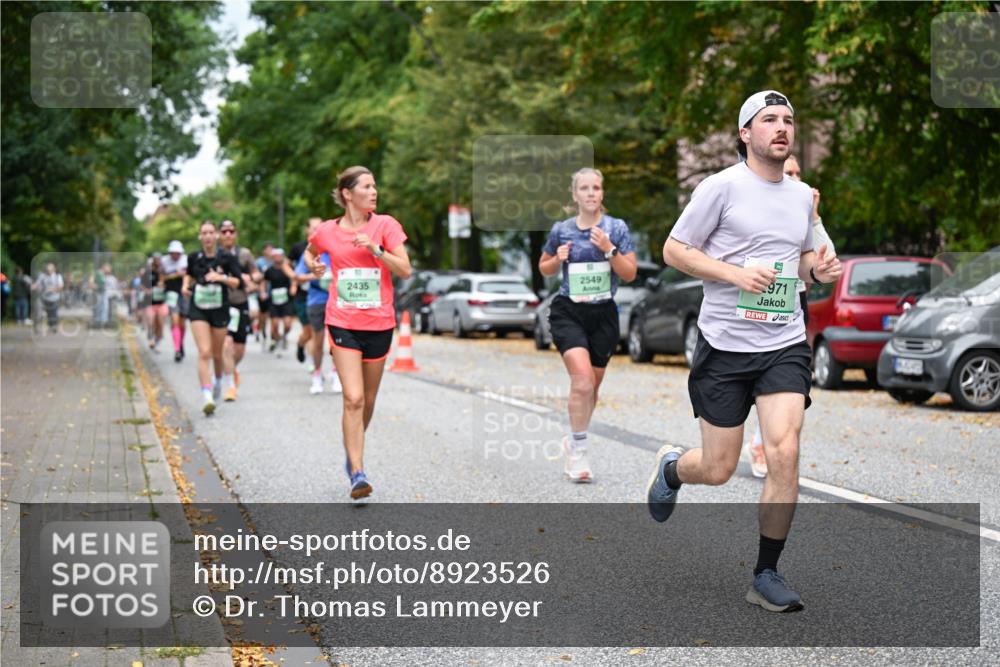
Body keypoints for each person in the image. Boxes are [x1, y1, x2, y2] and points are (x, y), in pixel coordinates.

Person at [646, 90, 842, 613]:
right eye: (769, 120)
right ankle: (671, 469)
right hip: (725, 345)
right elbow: (673, 250)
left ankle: (766, 572)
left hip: (782, 343)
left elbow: (797, 262)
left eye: (788, 120)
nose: (781, 128)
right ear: (745, 134)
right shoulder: (721, 188)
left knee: (784, 451)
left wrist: (814, 272)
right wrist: (735, 274)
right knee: (718, 468)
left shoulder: (800, 196)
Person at [303, 166, 411, 500]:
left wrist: (377, 250)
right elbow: (310, 251)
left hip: (379, 323)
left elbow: (405, 269)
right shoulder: (327, 231)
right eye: (366, 186)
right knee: (353, 397)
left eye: (375, 186)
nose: (374, 191)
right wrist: (314, 265)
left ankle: (352, 449)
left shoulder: (386, 225)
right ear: (348, 194)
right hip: (342, 321)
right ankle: (358, 471)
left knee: (369, 399)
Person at [538, 168, 637, 483]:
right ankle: (579, 450)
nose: (591, 193)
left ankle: (573, 438)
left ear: (602, 193)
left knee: (592, 387)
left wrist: (609, 249)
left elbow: (630, 273)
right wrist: (557, 259)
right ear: (575, 195)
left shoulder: (616, 228)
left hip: (603, 313)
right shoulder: (562, 230)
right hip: (569, 311)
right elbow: (544, 267)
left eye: (596, 187)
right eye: (585, 188)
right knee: (581, 382)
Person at [742, 154, 836, 478]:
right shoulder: (757, 205)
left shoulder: (802, 213)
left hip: (792, 307)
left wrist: (815, 217)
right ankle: (752, 438)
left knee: (784, 386)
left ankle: (762, 442)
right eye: (789, 171)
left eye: (799, 173)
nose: (796, 179)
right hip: (750, 308)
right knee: (754, 381)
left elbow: (827, 262)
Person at [182, 221, 244, 416]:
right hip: (198, 308)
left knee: (217, 354)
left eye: (211, 232)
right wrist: (185, 286)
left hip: (220, 309)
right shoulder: (194, 257)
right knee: (204, 352)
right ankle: (207, 396)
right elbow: (188, 275)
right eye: (204, 233)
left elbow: (238, 282)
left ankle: (217, 380)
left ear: (216, 236)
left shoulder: (226, 257)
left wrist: (222, 278)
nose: (208, 236)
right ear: (200, 237)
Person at [295, 236, 341, 395]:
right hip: (316, 302)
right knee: (318, 340)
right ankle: (317, 375)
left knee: (337, 341)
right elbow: (298, 277)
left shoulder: (337, 251)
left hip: (337, 301)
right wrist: (315, 274)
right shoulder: (310, 253)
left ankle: (336, 374)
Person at [217, 219, 257, 401]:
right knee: (226, 344)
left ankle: (233, 368)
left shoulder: (244, 254)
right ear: (219, 234)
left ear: (235, 234)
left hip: (240, 304)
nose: (227, 234)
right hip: (221, 305)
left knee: (239, 350)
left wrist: (250, 278)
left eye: (231, 231)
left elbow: (257, 273)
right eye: (224, 231)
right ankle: (230, 386)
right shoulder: (214, 255)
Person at [289, 220, 321, 363]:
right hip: (303, 296)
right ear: (307, 230)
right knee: (308, 333)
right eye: (314, 228)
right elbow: (286, 265)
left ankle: (314, 366)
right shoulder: (300, 248)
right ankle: (301, 345)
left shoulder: (329, 247)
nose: (317, 231)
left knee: (316, 333)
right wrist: (294, 282)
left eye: (320, 228)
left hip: (323, 296)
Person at [262, 248, 297, 353]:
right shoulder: (269, 270)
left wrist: (293, 287)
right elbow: (264, 282)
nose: (278, 258)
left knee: (287, 324)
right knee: (275, 324)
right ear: (273, 257)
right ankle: (276, 339)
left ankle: (283, 336)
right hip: (274, 300)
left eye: (280, 255)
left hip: (286, 299)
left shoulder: (288, 268)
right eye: (276, 256)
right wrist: (262, 292)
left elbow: (295, 277)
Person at [162, 240, 189, 362]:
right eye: (173, 253)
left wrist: (183, 275)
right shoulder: (164, 262)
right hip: (171, 293)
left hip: (184, 294)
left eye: (177, 253)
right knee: (175, 320)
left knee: (182, 323)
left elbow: (190, 276)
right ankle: (177, 349)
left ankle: (180, 343)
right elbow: (161, 278)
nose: (175, 255)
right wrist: (174, 275)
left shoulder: (186, 260)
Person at [144, 254, 168, 351]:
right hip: (150, 302)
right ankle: (151, 337)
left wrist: (164, 286)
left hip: (162, 302)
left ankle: (157, 339)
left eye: (159, 260)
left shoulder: (164, 272)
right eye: (156, 260)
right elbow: (142, 285)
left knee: (160, 323)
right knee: (151, 321)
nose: (158, 262)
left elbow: (170, 286)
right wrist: (147, 290)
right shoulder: (148, 273)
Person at [34, 262, 64, 333]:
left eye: (50, 270)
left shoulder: (57, 276)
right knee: (46, 312)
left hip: (55, 298)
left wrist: (54, 289)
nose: (48, 271)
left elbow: (61, 286)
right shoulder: (42, 276)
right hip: (44, 298)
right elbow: (37, 283)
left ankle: (54, 326)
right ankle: (48, 326)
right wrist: (33, 286)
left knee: (53, 312)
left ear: (54, 269)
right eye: (47, 270)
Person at [255, 243, 274, 348]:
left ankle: (272, 336)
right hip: (262, 292)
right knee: (263, 315)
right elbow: (256, 277)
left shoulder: (275, 261)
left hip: (273, 292)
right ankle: (260, 329)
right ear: (264, 251)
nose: (270, 251)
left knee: (272, 315)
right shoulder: (259, 262)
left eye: (272, 249)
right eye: (268, 249)